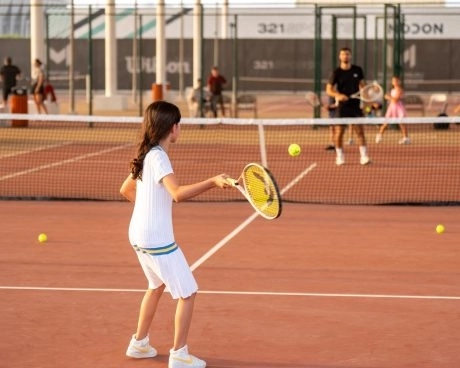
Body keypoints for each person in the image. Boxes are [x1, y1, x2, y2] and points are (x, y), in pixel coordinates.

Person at [120, 101, 231, 368]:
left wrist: (149, 210)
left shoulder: (145, 154)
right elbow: (177, 194)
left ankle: (139, 343)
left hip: (137, 235)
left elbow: (126, 190)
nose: (180, 128)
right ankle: (180, 355)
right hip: (157, 239)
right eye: (178, 124)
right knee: (188, 292)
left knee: (156, 286)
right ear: (172, 128)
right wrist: (213, 181)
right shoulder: (158, 157)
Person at [326, 47, 370, 166]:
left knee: (360, 132)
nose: (345, 56)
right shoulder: (336, 73)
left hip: (355, 106)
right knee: (339, 132)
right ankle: (340, 156)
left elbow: (364, 87)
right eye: (343, 54)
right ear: (340, 57)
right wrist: (338, 95)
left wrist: (366, 104)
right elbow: (329, 89)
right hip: (342, 107)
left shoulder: (357, 70)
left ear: (350, 56)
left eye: (347, 54)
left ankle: (364, 156)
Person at [375, 76, 410, 144]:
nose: (395, 82)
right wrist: (389, 97)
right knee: (385, 123)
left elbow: (395, 100)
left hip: (398, 108)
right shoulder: (392, 90)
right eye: (393, 81)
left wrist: (388, 97)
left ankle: (406, 138)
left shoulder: (399, 89)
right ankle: (379, 136)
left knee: (402, 123)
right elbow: (392, 100)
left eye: (396, 81)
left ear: (399, 82)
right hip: (392, 108)